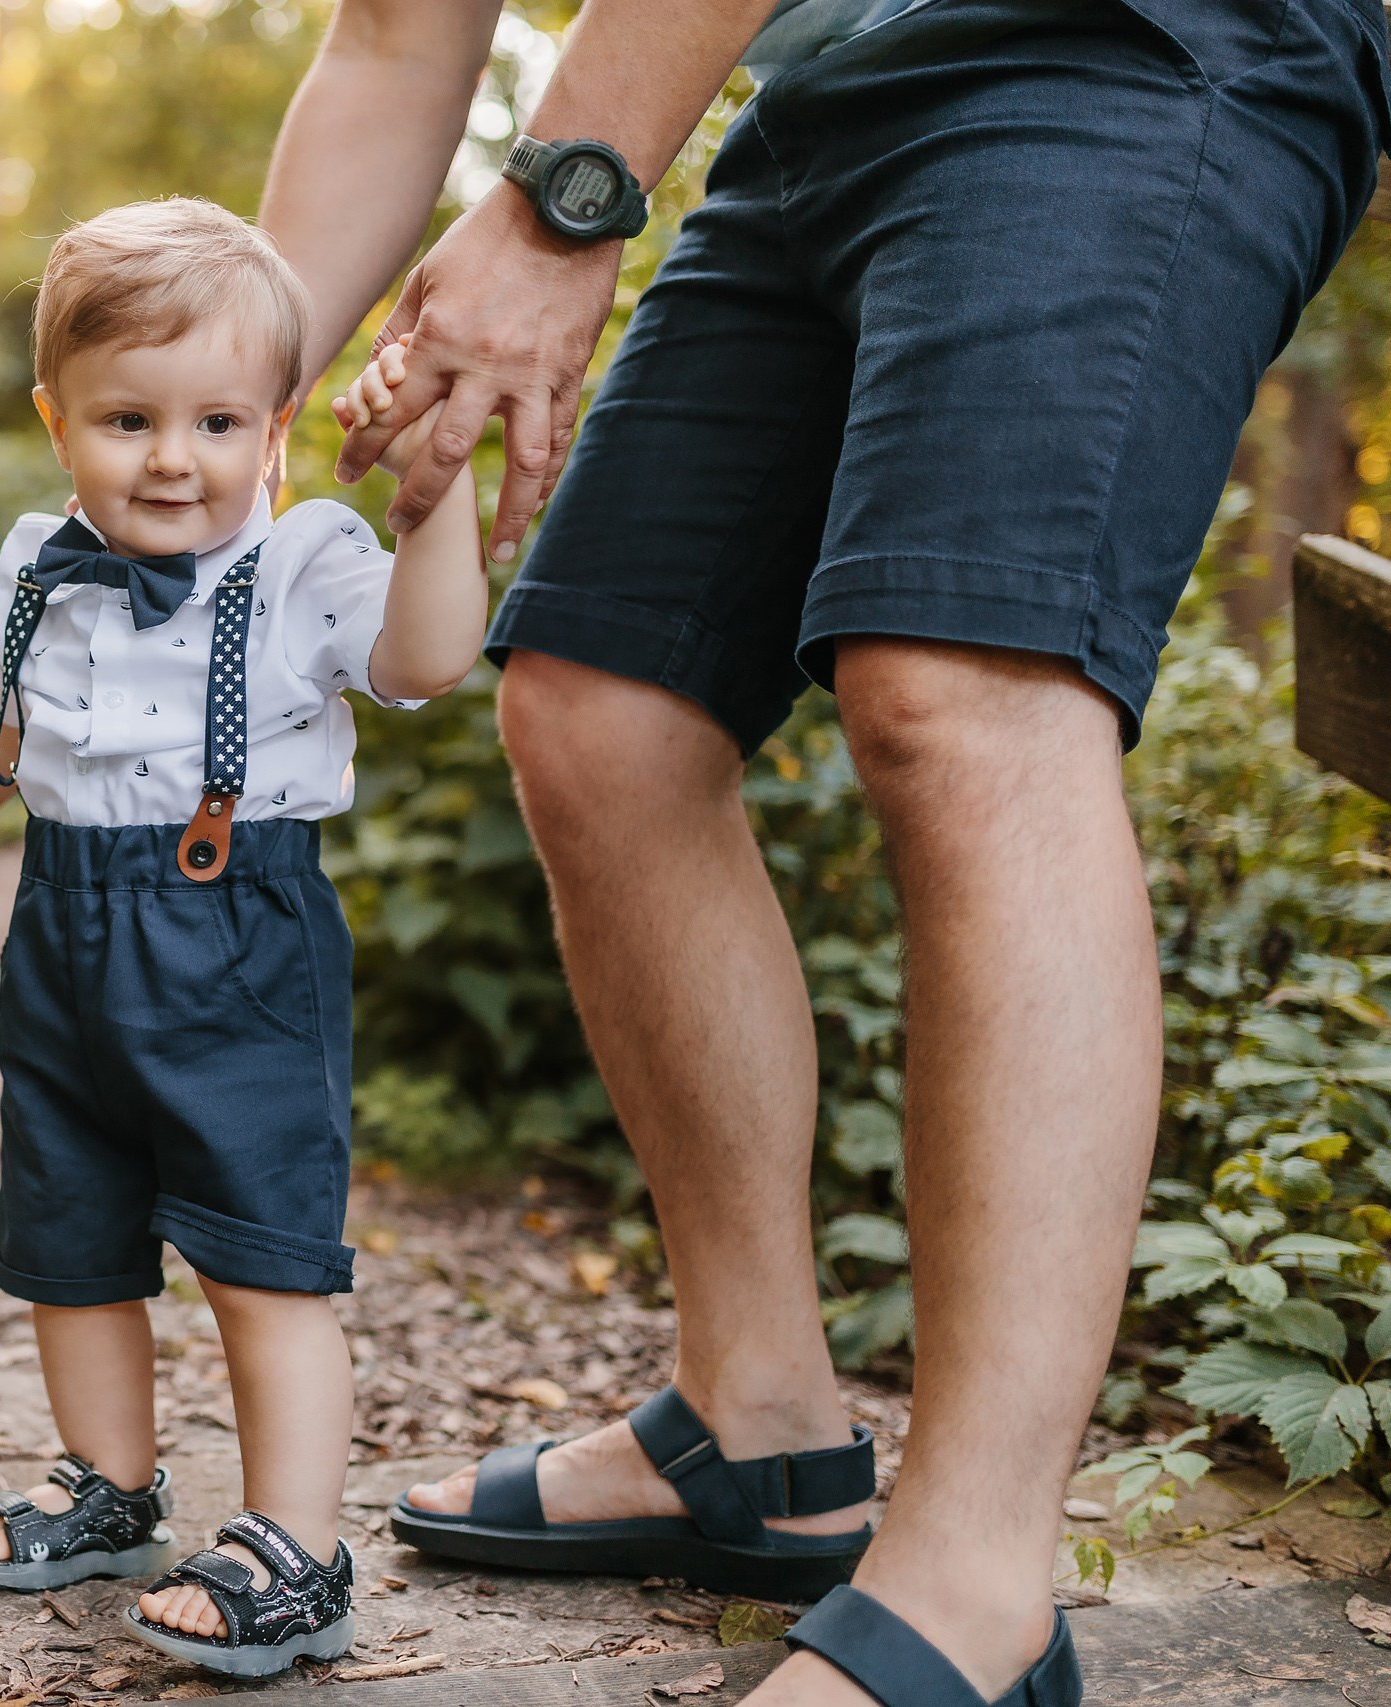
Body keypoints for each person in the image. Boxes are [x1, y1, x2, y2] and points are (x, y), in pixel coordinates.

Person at [267, 0, 1388, 1703]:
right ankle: (759, 1428)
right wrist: (217, 392)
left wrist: (564, 197)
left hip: (1130, 39)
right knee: (606, 707)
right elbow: (391, 48)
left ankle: (978, 1588)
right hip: (828, 82)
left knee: (961, 689)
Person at [0, 198, 490, 1678]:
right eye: (129, 419)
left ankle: (296, 1546)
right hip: (63, 929)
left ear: (277, 427)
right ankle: (109, 1485)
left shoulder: (304, 565)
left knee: (262, 1250)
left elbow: (431, 655)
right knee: (70, 1236)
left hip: (236, 933)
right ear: (56, 420)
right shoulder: (42, 565)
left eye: (217, 421)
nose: (173, 459)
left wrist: (432, 499)